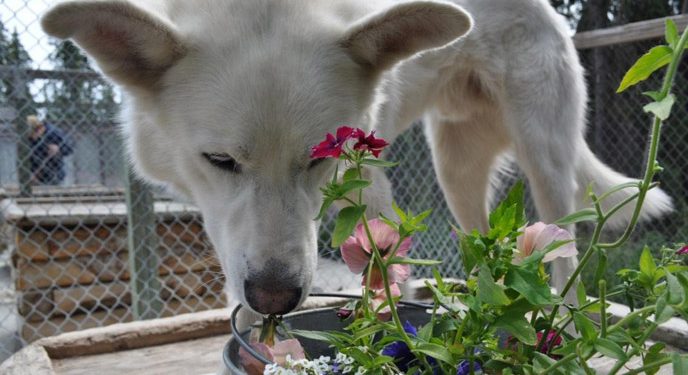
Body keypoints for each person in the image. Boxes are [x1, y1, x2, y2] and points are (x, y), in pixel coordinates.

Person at [26, 115, 73, 185]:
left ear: (40, 128)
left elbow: (69, 148)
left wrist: (58, 149)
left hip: (54, 172)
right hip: (36, 174)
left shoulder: (54, 132)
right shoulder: (31, 139)